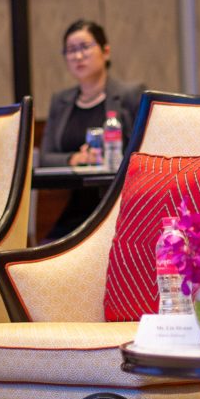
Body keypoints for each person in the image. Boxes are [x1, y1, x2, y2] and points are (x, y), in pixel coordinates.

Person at [39, 20, 146, 239]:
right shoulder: (61, 101)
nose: (78, 56)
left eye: (85, 47)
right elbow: (45, 157)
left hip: (120, 205)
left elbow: (144, 150)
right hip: (76, 208)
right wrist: (75, 158)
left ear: (105, 51)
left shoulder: (130, 95)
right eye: (71, 50)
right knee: (46, 249)